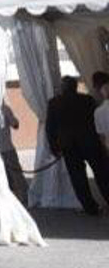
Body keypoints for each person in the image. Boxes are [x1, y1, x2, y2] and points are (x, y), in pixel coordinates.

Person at [46, 74, 109, 214]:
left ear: (62, 88)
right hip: (90, 143)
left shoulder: (54, 103)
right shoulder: (87, 100)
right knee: (102, 173)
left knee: (78, 177)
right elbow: (95, 121)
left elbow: (50, 129)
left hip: (69, 146)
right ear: (75, 87)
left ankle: (91, 208)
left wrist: (54, 148)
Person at [0, 99, 27, 202]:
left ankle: (7, 199)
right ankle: (23, 196)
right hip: (7, 147)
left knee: (2, 175)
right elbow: (15, 125)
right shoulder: (5, 109)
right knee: (16, 174)